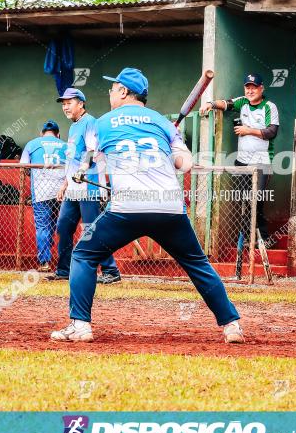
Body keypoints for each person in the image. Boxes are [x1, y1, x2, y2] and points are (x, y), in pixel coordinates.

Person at [50, 67, 243, 344]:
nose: (110, 92)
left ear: (124, 92)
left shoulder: (101, 122)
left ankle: (80, 326)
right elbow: (185, 164)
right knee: (197, 264)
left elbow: (94, 156)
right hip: (169, 208)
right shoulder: (163, 123)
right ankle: (232, 326)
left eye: (114, 88)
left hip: (127, 208)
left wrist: (84, 168)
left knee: (83, 255)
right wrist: (167, 147)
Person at [199, 72, 279, 242]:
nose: (250, 91)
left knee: (256, 202)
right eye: (248, 87)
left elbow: (272, 132)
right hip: (242, 161)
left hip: (261, 161)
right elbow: (226, 103)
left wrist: (247, 130)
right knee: (244, 202)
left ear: (261, 88)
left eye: (254, 87)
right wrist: (210, 104)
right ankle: (245, 239)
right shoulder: (242, 102)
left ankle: (262, 239)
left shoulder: (269, 106)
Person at [54, 88, 121, 284]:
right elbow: (71, 160)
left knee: (92, 229)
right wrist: (65, 184)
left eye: (69, 103)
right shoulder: (74, 126)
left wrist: (82, 170)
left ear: (81, 104)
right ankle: (64, 270)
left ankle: (111, 270)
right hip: (74, 188)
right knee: (63, 226)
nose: (65, 107)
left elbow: (93, 152)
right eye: (63, 104)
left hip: (88, 186)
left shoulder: (90, 122)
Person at [20, 119, 67, 272]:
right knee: (64, 227)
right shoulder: (66, 145)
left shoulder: (32, 144)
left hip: (41, 192)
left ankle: (44, 262)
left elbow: (23, 166)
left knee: (42, 227)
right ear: (58, 134)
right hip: (63, 191)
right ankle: (65, 263)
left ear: (41, 134)